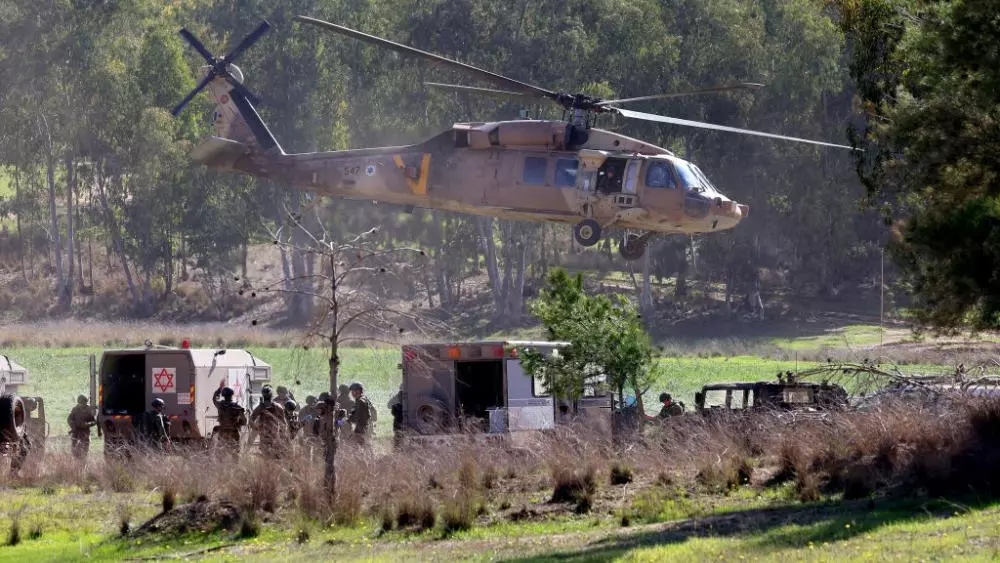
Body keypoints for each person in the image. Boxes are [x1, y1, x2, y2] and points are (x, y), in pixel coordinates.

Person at [249, 385, 288, 459]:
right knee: (274, 459)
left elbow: (251, 420)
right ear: (272, 395)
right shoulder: (277, 406)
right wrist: (282, 435)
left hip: (266, 437)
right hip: (273, 437)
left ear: (263, 395)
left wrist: (256, 429)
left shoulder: (260, 407)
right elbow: (284, 424)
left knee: (267, 458)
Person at [213, 384, 247, 457]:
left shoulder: (220, 405)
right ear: (231, 395)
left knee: (220, 455)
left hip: (222, 433)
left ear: (224, 396)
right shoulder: (237, 407)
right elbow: (244, 421)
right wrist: (239, 423)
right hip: (233, 433)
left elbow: (214, 399)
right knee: (235, 455)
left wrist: (218, 390)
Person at [67, 395, 97, 460]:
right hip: (76, 432)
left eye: (84, 403)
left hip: (85, 433)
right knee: (74, 451)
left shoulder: (89, 410)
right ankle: (76, 463)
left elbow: (94, 421)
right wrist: (73, 425)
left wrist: (87, 424)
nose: (83, 405)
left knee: (84, 450)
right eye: (81, 403)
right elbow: (69, 419)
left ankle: (83, 463)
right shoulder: (75, 409)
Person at [347, 381, 374, 447]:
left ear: (358, 391)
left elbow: (358, 417)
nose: (352, 393)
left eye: (353, 391)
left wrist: (348, 419)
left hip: (361, 429)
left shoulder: (360, 401)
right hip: (365, 427)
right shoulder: (364, 399)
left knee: (356, 447)